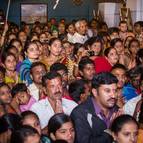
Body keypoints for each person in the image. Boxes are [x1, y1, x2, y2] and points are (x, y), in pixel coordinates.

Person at [71, 72, 120, 143]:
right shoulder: (80, 113)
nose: (113, 96)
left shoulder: (117, 110)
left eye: (115, 90)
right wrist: (109, 131)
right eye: (107, 91)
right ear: (95, 92)